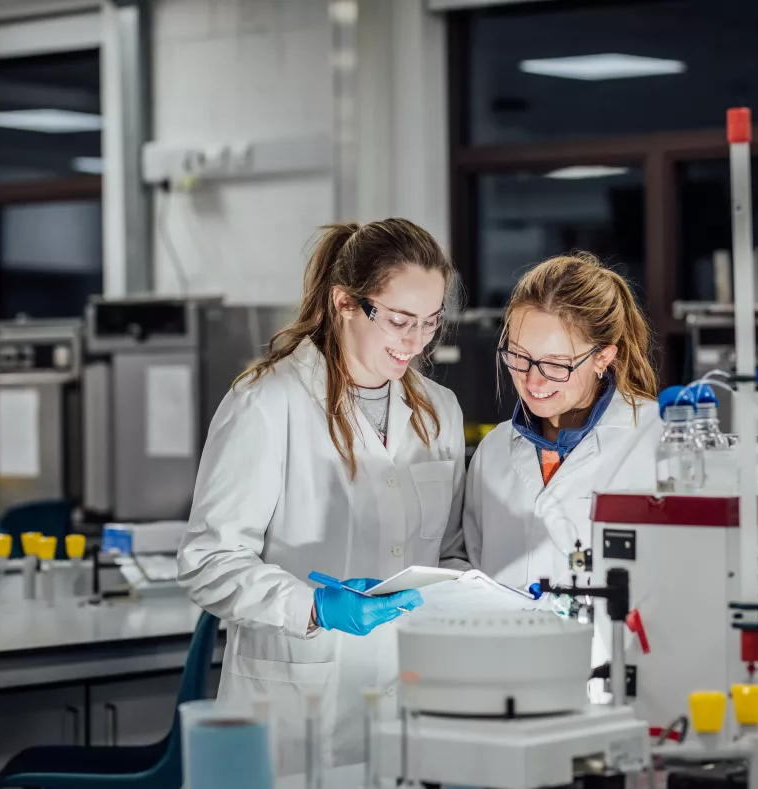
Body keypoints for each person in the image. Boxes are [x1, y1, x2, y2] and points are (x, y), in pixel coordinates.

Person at [177, 218, 466, 770]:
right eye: (400, 320)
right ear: (345, 303)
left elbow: (448, 551)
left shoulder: (439, 411)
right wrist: (314, 607)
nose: (415, 342)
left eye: (430, 323)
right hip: (292, 704)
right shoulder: (267, 402)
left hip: (404, 699)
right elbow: (206, 562)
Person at [452, 252, 658, 590]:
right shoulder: (493, 452)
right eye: (518, 357)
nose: (533, 382)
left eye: (556, 364)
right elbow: (474, 576)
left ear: (603, 357)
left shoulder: (655, 442)